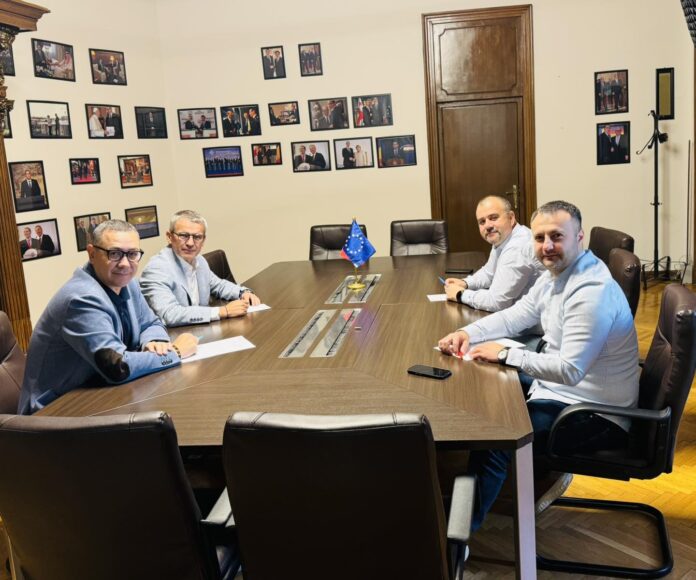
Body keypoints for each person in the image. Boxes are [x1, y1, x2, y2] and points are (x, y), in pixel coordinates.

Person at [438, 200, 639, 530]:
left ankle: (456, 539)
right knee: (484, 381)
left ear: (579, 237)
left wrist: (507, 355)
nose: (547, 246)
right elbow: (515, 316)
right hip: (561, 392)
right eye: (540, 237)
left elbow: (570, 369)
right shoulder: (555, 274)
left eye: (557, 236)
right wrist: (467, 333)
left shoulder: (591, 291)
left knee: (494, 437)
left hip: (595, 414)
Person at [18, 220, 198, 415]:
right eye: (114, 254)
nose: (124, 263)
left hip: (100, 392)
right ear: (92, 253)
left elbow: (151, 323)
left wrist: (155, 341)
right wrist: (176, 352)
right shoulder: (82, 299)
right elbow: (118, 367)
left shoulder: (128, 283)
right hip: (54, 412)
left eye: (132, 254)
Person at [140, 210, 261, 327]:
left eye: (197, 237)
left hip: (200, 330)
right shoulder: (156, 269)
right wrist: (222, 311)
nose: (190, 243)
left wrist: (243, 292)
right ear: (169, 237)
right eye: (183, 236)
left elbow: (219, 285)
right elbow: (169, 314)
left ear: (203, 240)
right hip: (174, 336)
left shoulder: (199, 260)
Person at [443, 195, 543, 312]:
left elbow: (496, 302)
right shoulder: (503, 237)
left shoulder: (518, 247)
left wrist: (460, 294)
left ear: (511, 218)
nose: (488, 226)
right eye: (482, 222)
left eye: (494, 218)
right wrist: (465, 283)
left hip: (535, 320)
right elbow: (489, 273)